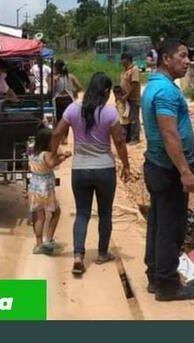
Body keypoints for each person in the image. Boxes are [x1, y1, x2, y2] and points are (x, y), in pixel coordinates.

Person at [50, 72, 131, 276]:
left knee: (83, 213)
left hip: (80, 169)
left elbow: (57, 133)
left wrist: (52, 155)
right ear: (105, 91)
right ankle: (102, 254)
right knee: (105, 213)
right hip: (104, 169)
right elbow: (120, 142)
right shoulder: (110, 112)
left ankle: (78, 255)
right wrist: (126, 165)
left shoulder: (73, 109)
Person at [141, 40, 194, 301]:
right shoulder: (166, 92)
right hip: (168, 169)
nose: (187, 61)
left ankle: (156, 275)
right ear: (166, 59)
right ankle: (167, 284)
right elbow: (169, 134)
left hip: (157, 166)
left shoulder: (156, 85)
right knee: (171, 227)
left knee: (158, 223)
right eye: (183, 56)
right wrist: (185, 171)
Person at [29, 127, 72, 255]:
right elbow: (52, 163)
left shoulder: (33, 153)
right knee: (56, 212)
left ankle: (38, 244)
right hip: (45, 189)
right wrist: (64, 157)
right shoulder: (46, 155)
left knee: (38, 216)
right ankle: (49, 239)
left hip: (34, 187)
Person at [51, 59, 84, 144]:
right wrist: (75, 93)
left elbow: (50, 90)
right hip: (69, 99)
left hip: (58, 100)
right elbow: (80, 87)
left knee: (58, 119)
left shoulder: (55, 78)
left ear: (56, 68)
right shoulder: (71, 76)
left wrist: (54, 81)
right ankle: (64, 137)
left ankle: (61, 137)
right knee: (67, 119)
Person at [120, 53, 142, 144]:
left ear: (127, 59)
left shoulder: (134, 70)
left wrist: (127, 95)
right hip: (125, 98)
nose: (121, 62)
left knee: (134, 118)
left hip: (133, 98)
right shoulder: (125, 70)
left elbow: (134, 84)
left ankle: (135, 138)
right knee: (127, 118)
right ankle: (128, 137)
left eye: (122, 60)